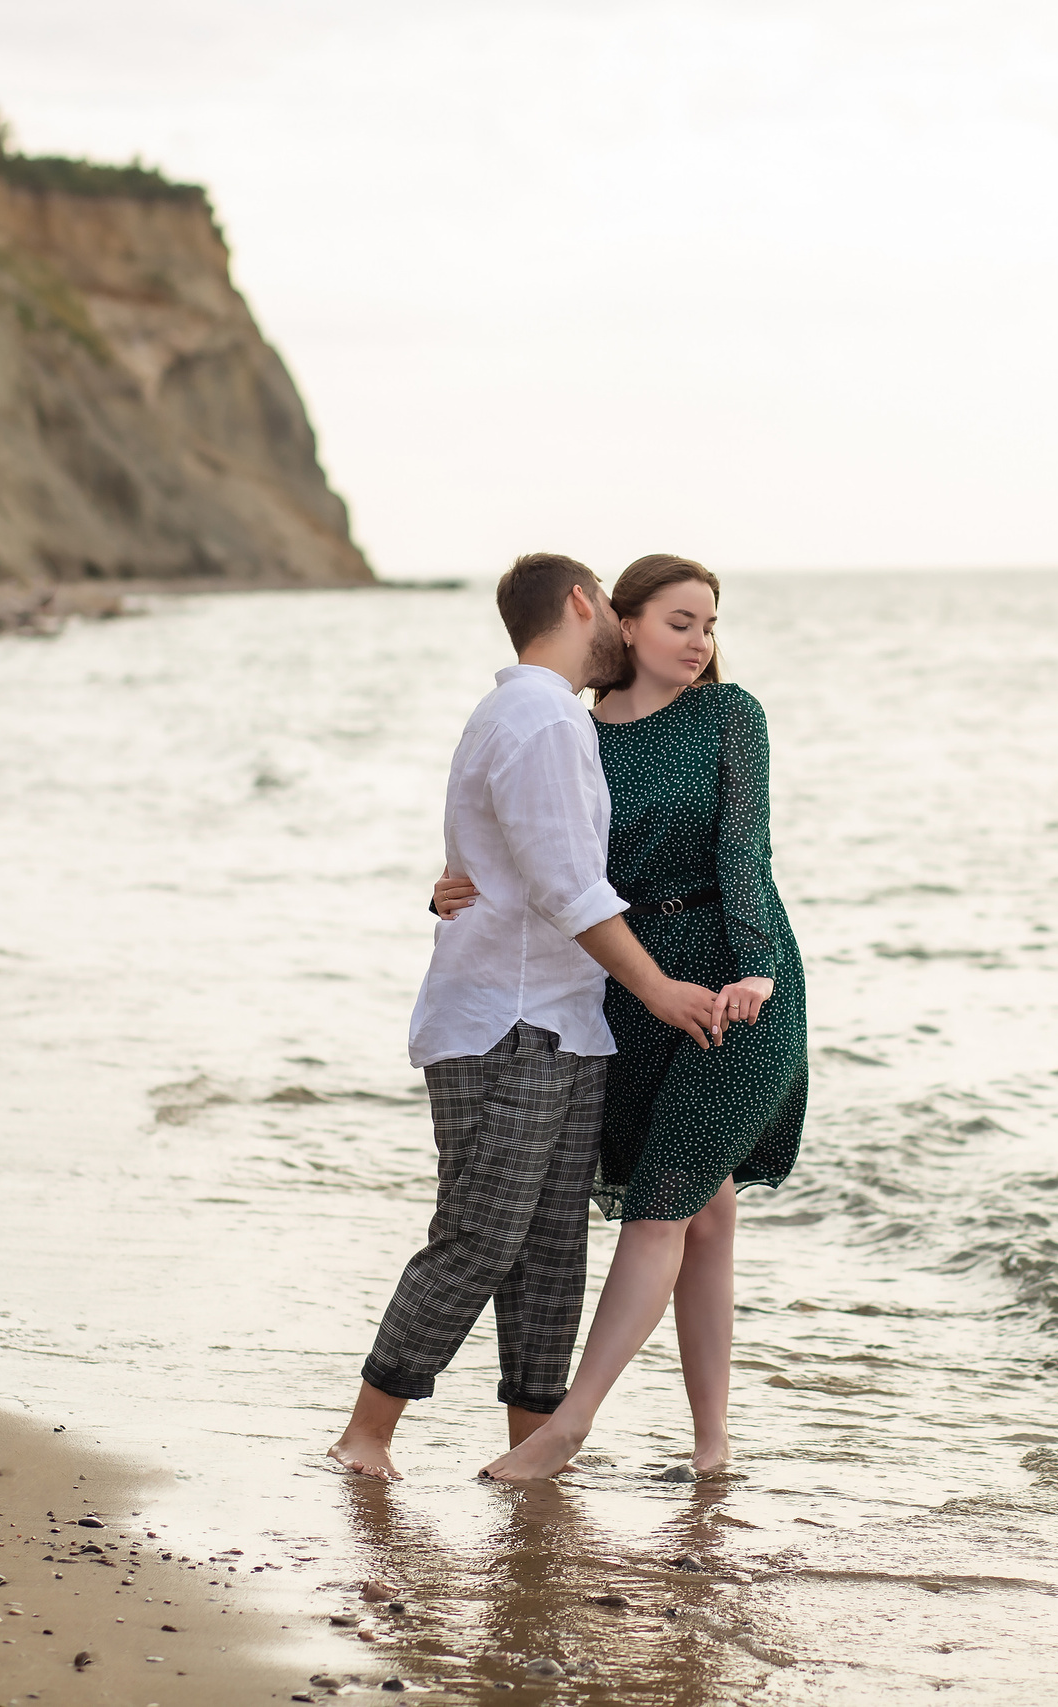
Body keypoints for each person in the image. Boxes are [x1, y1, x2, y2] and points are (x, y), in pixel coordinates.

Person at [327, 552, 724, 1482]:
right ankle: (365, 1434)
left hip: (562, 1021)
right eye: (618, 616)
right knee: (482, 1235)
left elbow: (504, 860)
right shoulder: (540, 715)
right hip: (506, 1024)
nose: (630, 637)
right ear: (584, 603)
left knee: (549, 1259)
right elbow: (564, 883)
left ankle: (531, 1451)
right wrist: (660, 987)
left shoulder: (540, 717)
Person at [433, 553, 807, 1482]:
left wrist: (755, 968)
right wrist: (453, 891)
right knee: (705, 1212)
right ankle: (713, 1449)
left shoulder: (730, 715)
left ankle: (570, 1423)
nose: (700, 641)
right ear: (623, 622)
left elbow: (746, 853)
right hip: (637, 998)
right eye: (682, 621)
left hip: (734, 989)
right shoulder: (574, 730)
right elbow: (539, 859)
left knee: (661, 1205)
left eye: (710, 624)